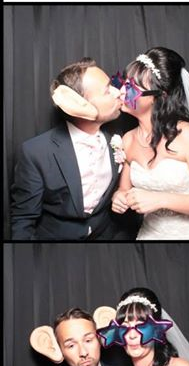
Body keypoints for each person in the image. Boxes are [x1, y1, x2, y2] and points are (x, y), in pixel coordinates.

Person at [11, 58, 130, 240]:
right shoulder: (36, 153)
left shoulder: (120, 138)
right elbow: (23, 221)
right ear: (80, 105)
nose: (118, 92)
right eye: (107, 90)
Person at [111, 47, 189, 240]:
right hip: (149, 236)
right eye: (123, 83)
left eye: (131, 88)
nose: (121, 92)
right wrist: (119, 197)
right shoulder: (128, 139)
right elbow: (124, 189)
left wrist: (161, 199)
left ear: (159, 97)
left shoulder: (186, 135)